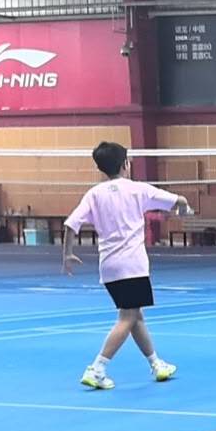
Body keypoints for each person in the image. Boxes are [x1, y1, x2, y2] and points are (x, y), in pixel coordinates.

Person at [62, 141, 193, 390]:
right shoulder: (138, 189)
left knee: (135, 315)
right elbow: (180, 200)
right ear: (125, 164)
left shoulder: (94, 194)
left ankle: (156, 364)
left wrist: (67, 255)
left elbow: (70, 224)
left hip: (109, 267)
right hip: (132, 265)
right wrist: (184, 210)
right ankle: (97, 368)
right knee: (127, 317)